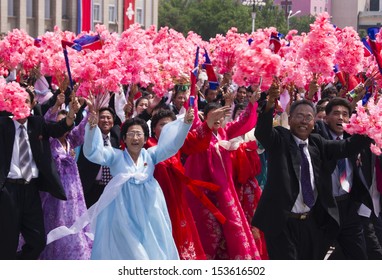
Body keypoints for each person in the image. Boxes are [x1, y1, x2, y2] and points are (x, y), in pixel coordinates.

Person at [252, 82, 371, 260]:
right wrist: (269, 103)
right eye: (299, 116)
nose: (304, 121)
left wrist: (370, 128)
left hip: (311, 222)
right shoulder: (280, 139)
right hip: (282, 223)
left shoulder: (317, 143)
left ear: (314, 122)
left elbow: (346, 147)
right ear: (290, 118)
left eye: (309, 117)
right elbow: (263, 133)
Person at [81, 107, 195, 259]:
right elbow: (93, 152)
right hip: (122, 213)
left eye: (139, 134)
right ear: (124, 138)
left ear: (145, 138)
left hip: (148, 212)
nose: (135, 138)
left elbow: (172, 146)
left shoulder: (151, 155)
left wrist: (185, 125)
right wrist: (92, 128)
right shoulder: (115, 156)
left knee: (151, 248)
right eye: (131, 134)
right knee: (130, 252)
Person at [0, 90, 79, 260]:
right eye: (17, 101)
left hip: (31, 189)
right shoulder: (3, 125)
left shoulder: (37, 123)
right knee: (7, 241)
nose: (22, 105)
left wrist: (71, 114)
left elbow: (58, 128)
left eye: (26, 101)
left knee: (37, 241)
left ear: (32, 104)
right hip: (8, 190)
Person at [145, 107, 230, 259]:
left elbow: (197, 140)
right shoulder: (148, 146)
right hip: (153, 198)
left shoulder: (178, 143)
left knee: (179, 230)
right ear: (154, 130)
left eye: (171, 125)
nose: (167, 129)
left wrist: (208, 123)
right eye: (162, 125)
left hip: (176, 195)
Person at [184, 92, 260, 260]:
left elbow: (244, 122)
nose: (218, 119)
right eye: (214, 116)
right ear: (206, 118)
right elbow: (193, 112)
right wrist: (193, 88)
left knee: (232, 227)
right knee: (208, 231)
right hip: (203, 192)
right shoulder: (199, 131)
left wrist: (251, 103)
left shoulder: (225, 132)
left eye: (220, 115)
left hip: (225, 191)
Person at [38, 93, 92, 260]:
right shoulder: (48, 141)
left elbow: (83, 128)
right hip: (54, 192)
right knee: (55, 222)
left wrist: (90, 110)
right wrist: (56, 106)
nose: (64, 126)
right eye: (60, 122)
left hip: (73, 191)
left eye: (67, 122)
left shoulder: (71, 140)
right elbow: (45, 122)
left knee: (73, 221)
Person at [314, 97, 368, 259]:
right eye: (336, 113)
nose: (341, 118)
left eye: (345, 114)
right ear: (326, 117)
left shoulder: (354, 139)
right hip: (324, 208)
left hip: (348, 205)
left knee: (359, 256)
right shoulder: (318, 136)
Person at [77, 107, 120, 208]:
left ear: (113, 122)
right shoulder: (89, 136)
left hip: (111, 187)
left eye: (108, 118)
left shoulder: (117, 137)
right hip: (91, 186)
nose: (105, 120)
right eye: (102, 117)